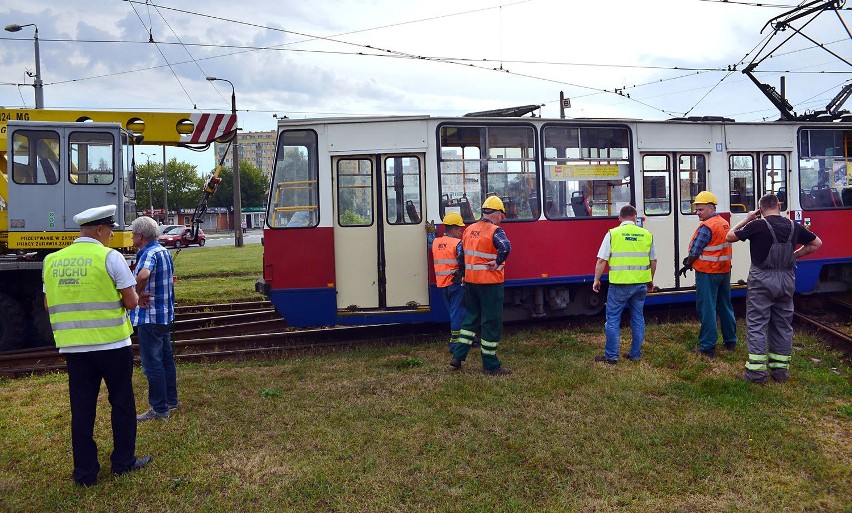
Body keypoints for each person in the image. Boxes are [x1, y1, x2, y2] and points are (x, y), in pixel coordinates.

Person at [42, 205, 151, 486]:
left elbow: (47, 303)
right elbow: (130, 301)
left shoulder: (52, 260)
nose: (112, 235)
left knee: (82, 409)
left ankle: (85, 473)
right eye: (111, 230)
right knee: (122, 404)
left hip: (74, 349)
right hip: (112, 344)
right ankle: (123, 462)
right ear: (100, 230)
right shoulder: (109, 257)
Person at [726, 194, 822, 384]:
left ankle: (756, 374)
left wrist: (747, 218)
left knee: (757, 324)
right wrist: (794, 256)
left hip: (762, 279)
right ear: (779, 206)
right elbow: (816, 243)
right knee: (783, 324)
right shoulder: (793, 226)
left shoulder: (757, 225)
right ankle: (780, 372)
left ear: (761, 209)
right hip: (786, 278)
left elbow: (729, 236)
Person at [450, 196, 512, 375]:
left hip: (471, 283)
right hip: (490, 284)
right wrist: (497, 261)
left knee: (471, 318)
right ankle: (490, 365)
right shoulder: (495, 230)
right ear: (498, 213)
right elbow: (506, 247)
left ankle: (458, 356)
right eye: (502, 214)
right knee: (491, 322)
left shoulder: (469, 229)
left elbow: (461, 254)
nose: (502, 218)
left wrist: (463, 273)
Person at [592, 205, 657, 364]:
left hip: (620, 284)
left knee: (613, 319)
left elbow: (601, 260)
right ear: (635, 217)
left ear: (620, 218)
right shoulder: (646, 234)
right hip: (640, 283)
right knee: (638, 318)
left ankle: (611, 357)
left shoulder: (613, 234)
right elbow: (653, 260)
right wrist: (650, 279)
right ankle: (635, 354)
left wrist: (596, 280)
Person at [129, 216, 178, 421]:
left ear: (140, 236)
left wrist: (136, 294)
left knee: (152, 365)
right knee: (166, 360)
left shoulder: (148, 253)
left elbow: (143, 275)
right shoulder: (164, 251)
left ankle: (159, 409)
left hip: (149, 317)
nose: (131, 238)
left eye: (133, 234)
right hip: (164, 315)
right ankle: (171, 401)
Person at [678, 191, 737, 357]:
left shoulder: (707, 227)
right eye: (697, 209)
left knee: (707, 308)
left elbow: (696, 250)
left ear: (711, 208)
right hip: (724, 271)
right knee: (725, 305)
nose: (697, 213)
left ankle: (707, 346)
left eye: (701, 209)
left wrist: (688, 263)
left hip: (708, 272)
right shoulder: (723, 223)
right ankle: (730, 341)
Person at [427, 212, 467, 353]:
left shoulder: (436, 242)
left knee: (457, 311)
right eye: (460, 229)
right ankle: (455, 345)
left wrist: (431, 231)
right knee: (457, 313)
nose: (461, 232)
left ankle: (469, 339)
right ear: (454, 229)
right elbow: (463, 261)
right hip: (456, 284)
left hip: (442, 284)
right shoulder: (457, 243)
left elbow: (430, 240)